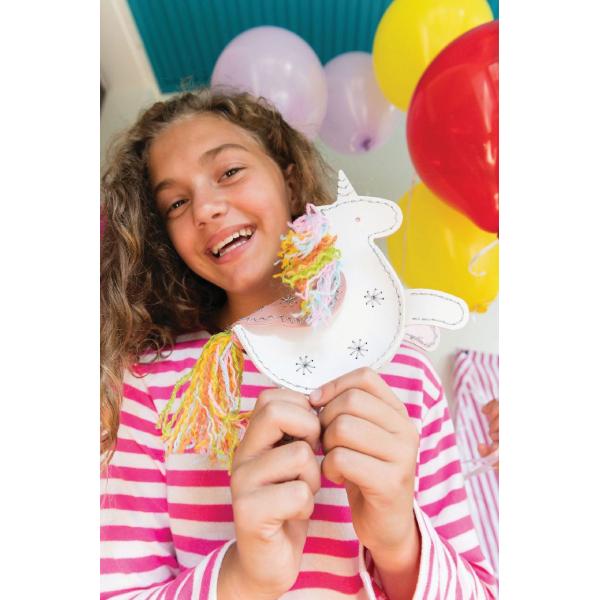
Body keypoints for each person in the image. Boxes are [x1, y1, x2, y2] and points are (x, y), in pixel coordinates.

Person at [100, 88, 496, 600]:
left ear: (288, 180)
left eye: (229, 172)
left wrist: (399, 542)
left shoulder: (406, 374)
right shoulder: (158, 388)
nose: (206, 208)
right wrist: (245, 576)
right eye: (175, 202)